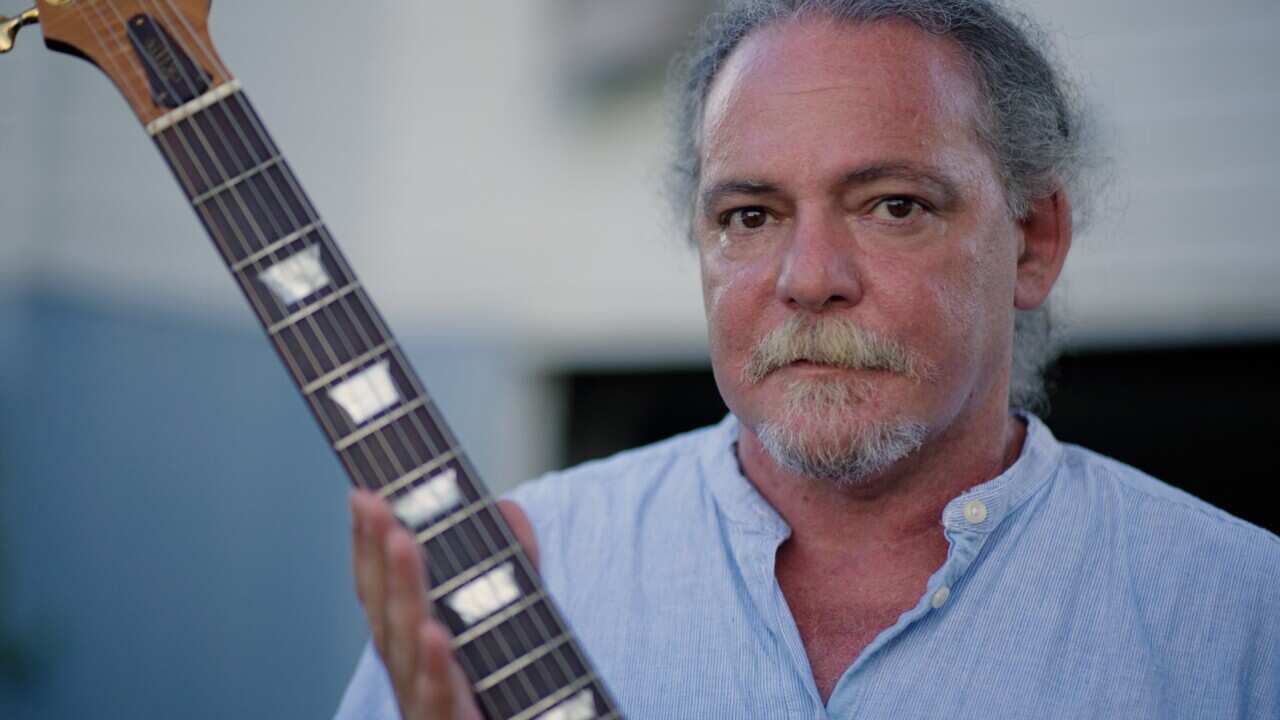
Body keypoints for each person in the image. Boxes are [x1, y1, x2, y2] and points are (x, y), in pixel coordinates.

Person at [336, 1, 1280, 717]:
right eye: (749, 216)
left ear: (1032, 241)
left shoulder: (1242, 618)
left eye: (893, 205)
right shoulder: (506, 583)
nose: (809, 278)